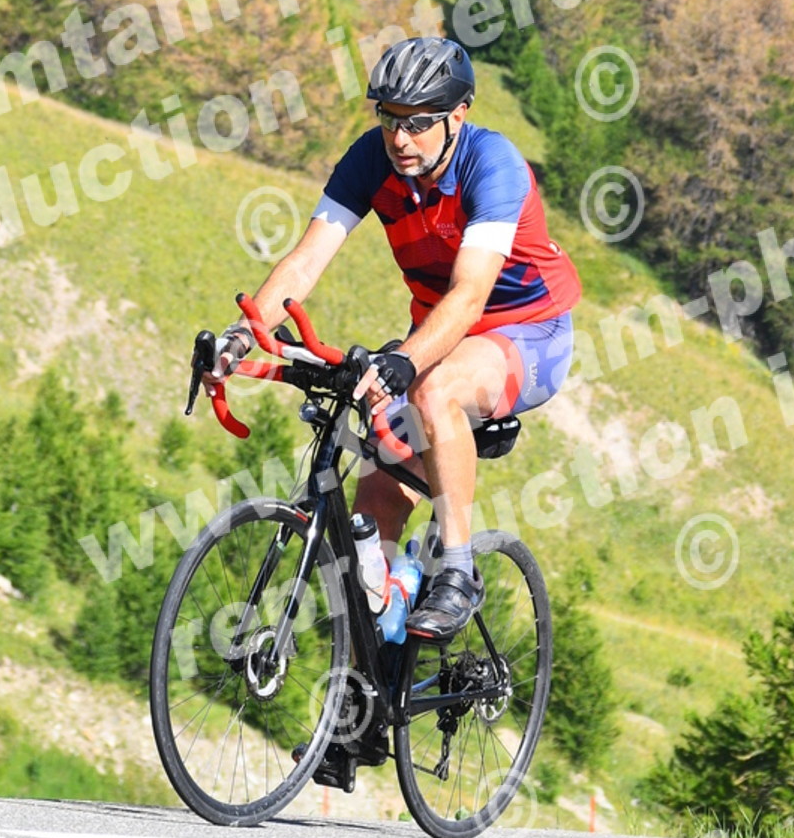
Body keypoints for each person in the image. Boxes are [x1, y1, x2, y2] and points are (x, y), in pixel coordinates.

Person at [210, 34, 581, 641]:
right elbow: (306, 260)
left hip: (525, 328)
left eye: (419, 123)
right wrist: (242, 337)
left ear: (458, 115)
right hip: (436, 332)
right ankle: (368, 680)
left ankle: (457, 571)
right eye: (389, 119)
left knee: (435, 391)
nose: (400, 139)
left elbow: (470, 295)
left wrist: (405, 363)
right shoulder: (372, 159)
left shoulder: (493, 164)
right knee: (369, 527)